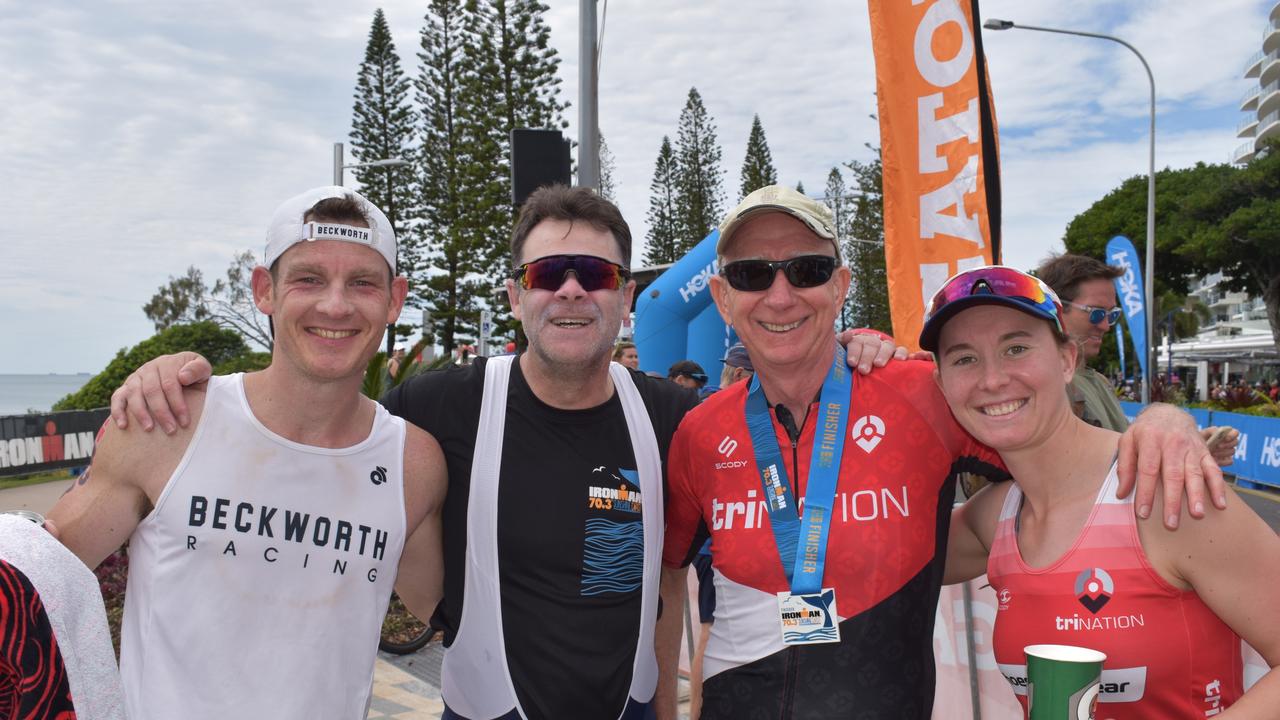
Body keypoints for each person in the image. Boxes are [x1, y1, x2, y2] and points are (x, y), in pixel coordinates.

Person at [104, 186, 910, 720]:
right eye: (546, 271)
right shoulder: (437, 406)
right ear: (515, 293)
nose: (569, 289)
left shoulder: (677, 419)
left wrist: (861, 354)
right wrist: (175, 381)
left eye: (593, 273)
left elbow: (676, 566)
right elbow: (312, 427)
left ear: (626, 297)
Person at [655, 185, 1228, 720]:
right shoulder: (700, 431)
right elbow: (671, 583)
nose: (780, 296)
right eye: (752, 275)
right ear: (723, 297)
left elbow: (1066, 458)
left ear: (841, 285)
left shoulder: (921, 391)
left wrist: (1161, 421)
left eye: (807, 270)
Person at [47, 187, 448, 719]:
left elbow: (452, 612)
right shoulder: (169, 424)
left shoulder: (412, 463)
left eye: (362, 283)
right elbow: (37, 578)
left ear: (394, 300)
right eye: (308, 278)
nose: (335, 304)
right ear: (265, 290)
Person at [928, 265, 1280, 718]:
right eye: (964, 359)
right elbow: (866, 562)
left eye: (1016, 348)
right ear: (941, 385)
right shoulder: (991, 519)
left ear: (1067, 360)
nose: (992, 379)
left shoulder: (1164, 490)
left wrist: (1165, 414)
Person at [1037, 254, 1238, 469]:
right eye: (1096, 314)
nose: (1106, 326)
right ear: (1056, 307)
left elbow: (1123, 454)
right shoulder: (1048, 385)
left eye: (1112, 315)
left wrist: (1189, 447)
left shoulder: (1098, 381)